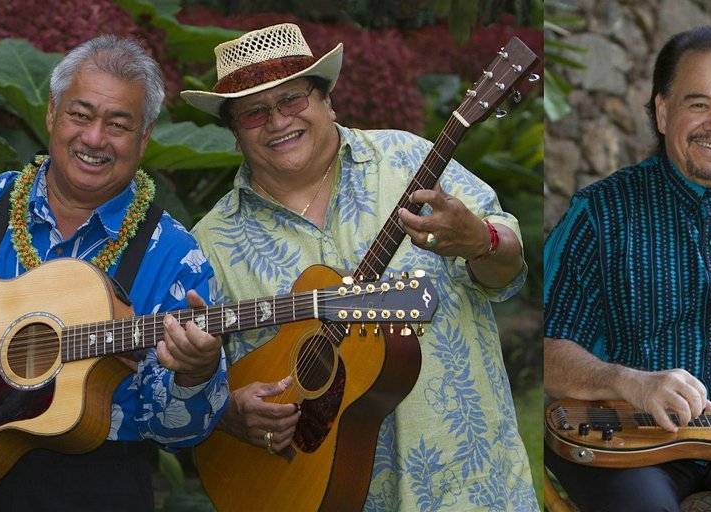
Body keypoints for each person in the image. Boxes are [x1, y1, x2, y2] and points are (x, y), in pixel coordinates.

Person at [180, 22, 537, 511]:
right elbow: (190, 372)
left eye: (292, 100)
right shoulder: (210, 242)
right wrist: (227, 413)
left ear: (327, 100)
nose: (278, 122)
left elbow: (507, 271)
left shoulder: (412, 160)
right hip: (314, 492)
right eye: (254, 113)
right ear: (236, 134)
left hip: (468, 485)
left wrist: (481, 240)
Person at [0, 35, 228, 511]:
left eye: (118, 124)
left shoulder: (175, 257)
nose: (94, 138)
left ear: (145, 136)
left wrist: (195, 374)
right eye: (80, 115)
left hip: (98, 490)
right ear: (52, 113)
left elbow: (178, 434)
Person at [544, 24, 711, 512]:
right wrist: (627, 381)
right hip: (632, 436)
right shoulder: (599, 214)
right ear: (663, 111)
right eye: (698, 104)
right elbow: (548, 350)